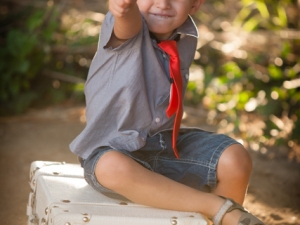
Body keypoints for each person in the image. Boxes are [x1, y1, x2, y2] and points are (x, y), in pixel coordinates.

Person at [70, 0, 265, 224]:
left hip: (164, 147)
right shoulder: (125, 29)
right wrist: (125, 8)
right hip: (112, 151)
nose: (162, 4)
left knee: (235, 158)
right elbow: (128, 23)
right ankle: (221, 209)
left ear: (195, 4)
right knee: (111, 167)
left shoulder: (185, 36)